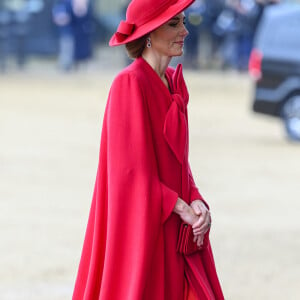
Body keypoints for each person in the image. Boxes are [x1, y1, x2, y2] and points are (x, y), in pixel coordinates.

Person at [72, 0, 224, 299]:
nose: (185, 30)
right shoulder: (128, 83)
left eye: (182, 21)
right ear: (149, 33)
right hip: (147, 226)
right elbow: (128, 173)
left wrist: (197, 201)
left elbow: (180, 162)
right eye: (173, 23)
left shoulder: (170, 82)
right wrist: (181, 207)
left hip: (179, 228)